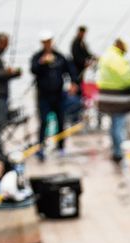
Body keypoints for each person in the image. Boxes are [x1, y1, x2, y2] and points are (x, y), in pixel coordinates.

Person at [29, 31, 77, 161]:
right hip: (43, 96)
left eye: (49, 41)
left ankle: (61, 147)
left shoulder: (60, 57)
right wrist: (42, 62)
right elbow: (33, 69)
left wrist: (73, 82)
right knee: (43, 121)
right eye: (45, 42)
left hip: (58, 95)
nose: (47, 44)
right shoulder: (37, 57)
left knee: (61, 121)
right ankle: (41, 147)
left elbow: (70, 70)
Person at [95, 37, 130, 164]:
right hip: (118, 97)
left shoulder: (106, 56)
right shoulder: (118, 59)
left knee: (113, 125)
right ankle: (120, 152)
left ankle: (115, 150)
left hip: (105, 96)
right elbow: (126, 78)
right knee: (119, 125)